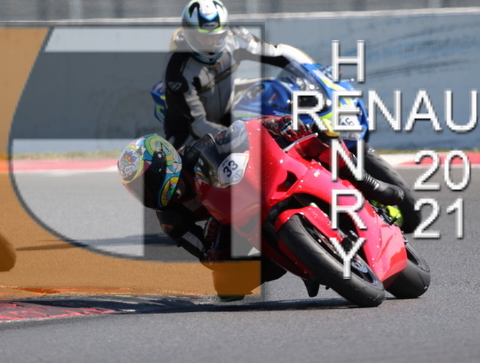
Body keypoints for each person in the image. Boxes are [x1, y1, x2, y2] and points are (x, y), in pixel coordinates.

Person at [118, 116, 404, 300]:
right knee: (227, 287)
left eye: (147, 183)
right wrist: (215, 246)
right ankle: (293, 257)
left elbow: (245, 129)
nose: (146, 192)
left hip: (255, 182)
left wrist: (280, 125)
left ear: (164, 164)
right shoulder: (170, 218)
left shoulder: (198, 150)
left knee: (316, 134)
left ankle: (368, 184)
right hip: (229, 218)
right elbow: (205, 255)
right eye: (137, 189)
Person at [162, 0, 313, 149]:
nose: (211, 44)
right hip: (190, 131)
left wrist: (313, 71)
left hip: (227, 115)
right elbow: (198, 124)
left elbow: (277, 54)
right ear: (188, 34)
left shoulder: (235, 39)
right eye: (203, 38)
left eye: (216, 36)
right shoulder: (177, 71)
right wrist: (241, 137)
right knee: (178, 157)